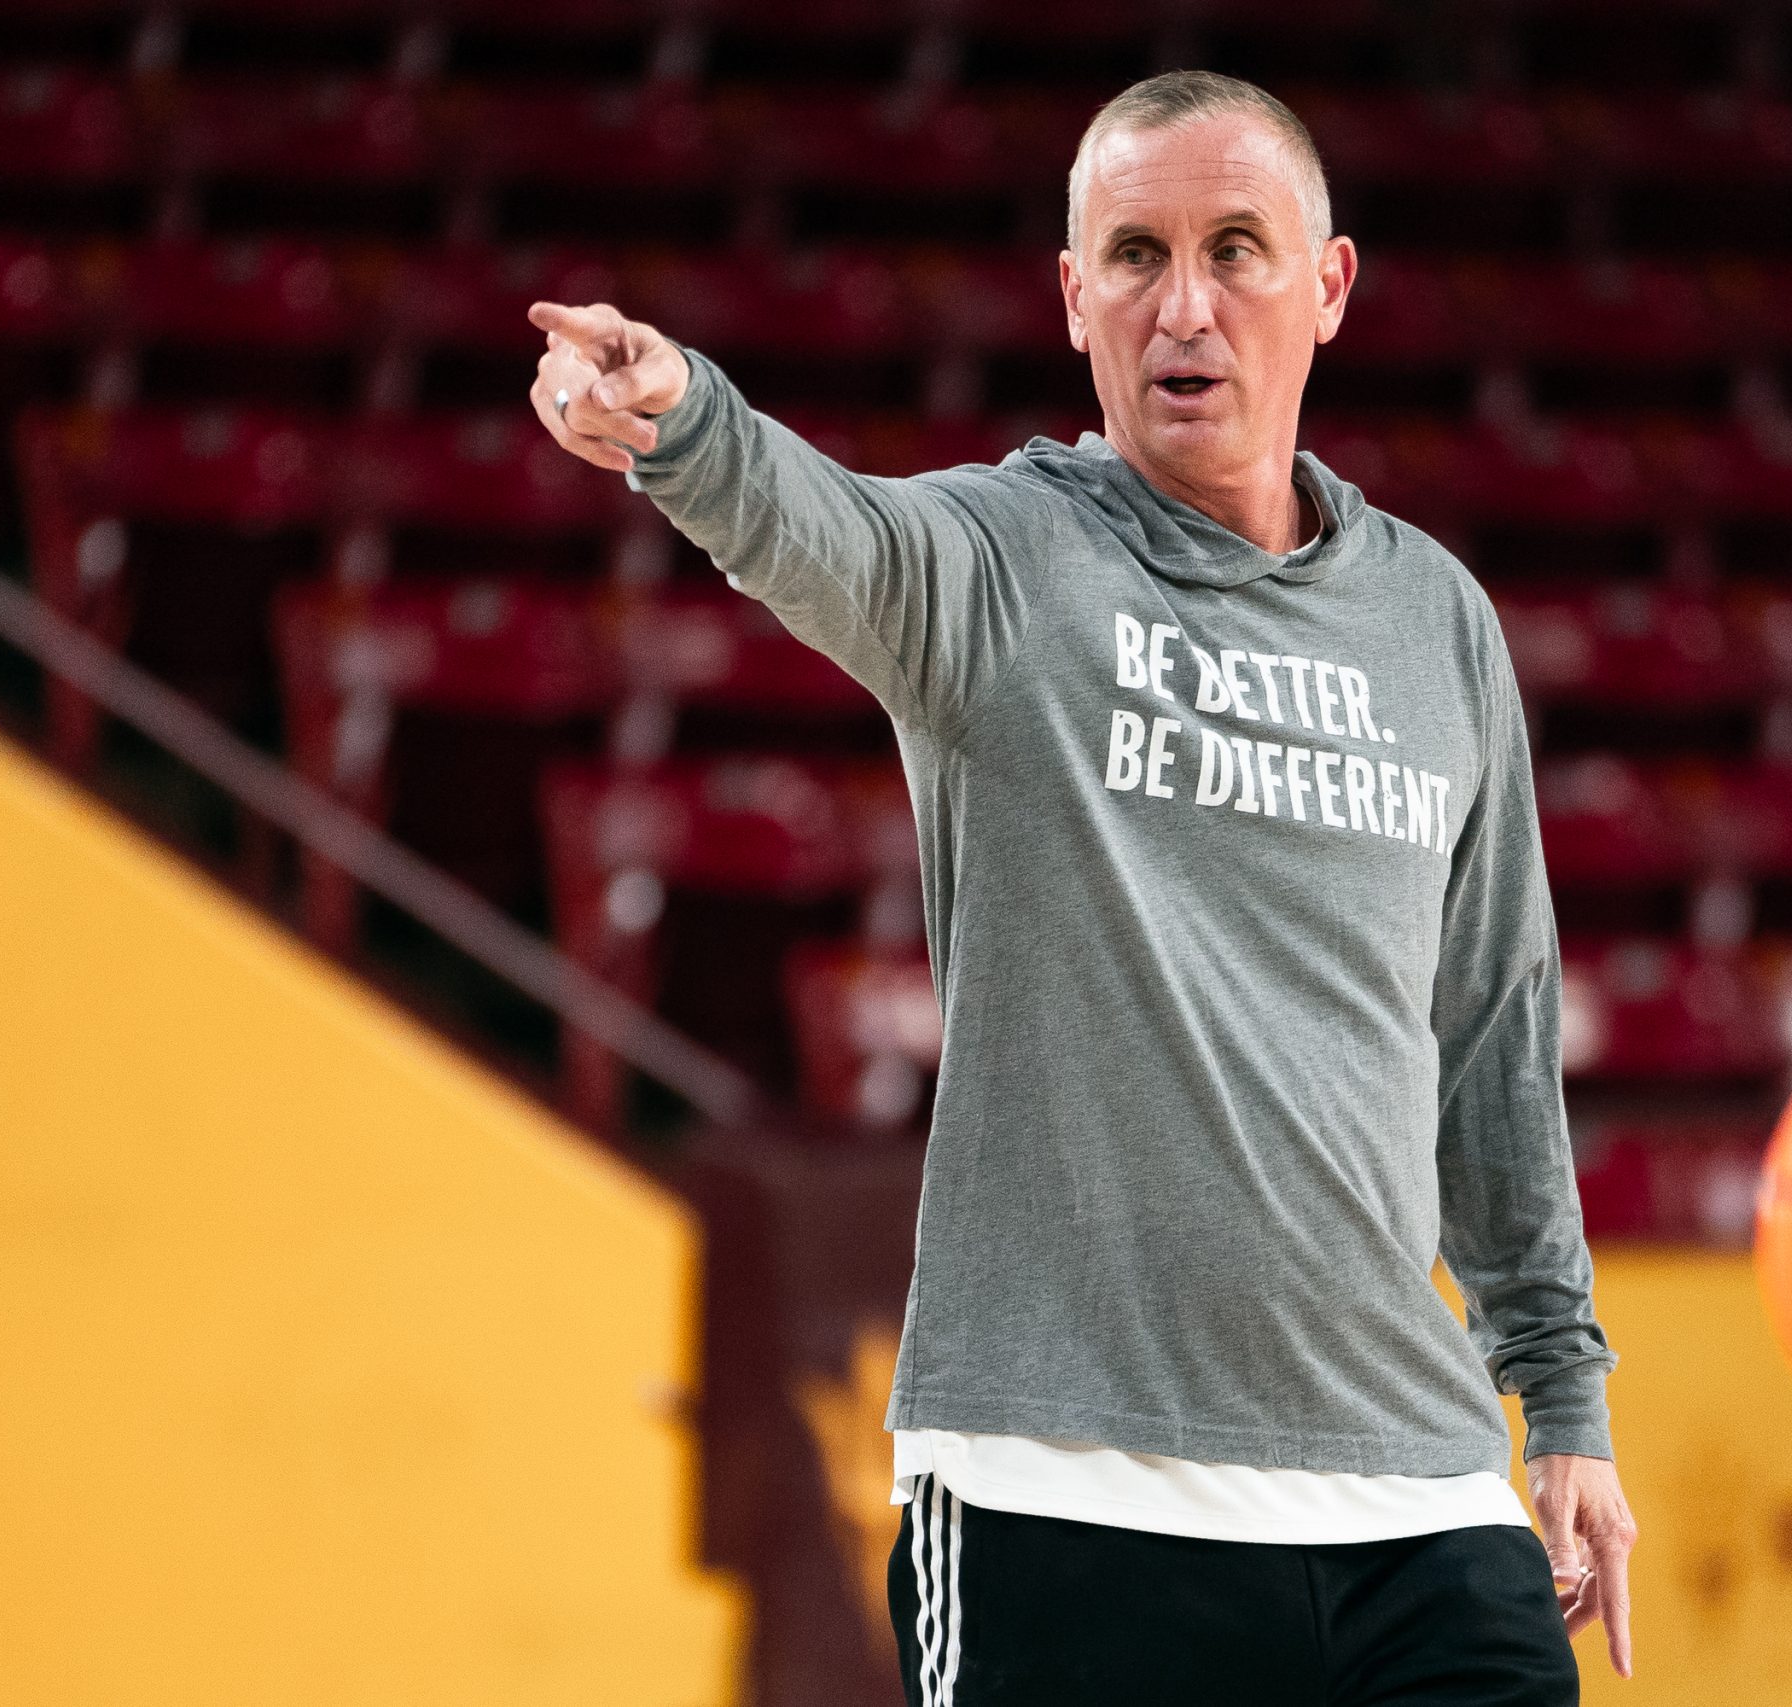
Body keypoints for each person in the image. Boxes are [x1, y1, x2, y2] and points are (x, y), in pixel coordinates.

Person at [524, 70, 1635, 1706]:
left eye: (1236, 248)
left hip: (1419, 1506)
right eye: (1135, 255)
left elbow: (1491, 1040)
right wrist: (677, 416)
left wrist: (1564, 1400)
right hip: (1067, 1497)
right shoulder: (1006, 567)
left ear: (1329, 285)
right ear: (1072, 297)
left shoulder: (1435, 621)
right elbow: (823, 529)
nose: (1185, 305)